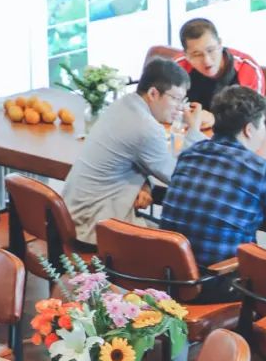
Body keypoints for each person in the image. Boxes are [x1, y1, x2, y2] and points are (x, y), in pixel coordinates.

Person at [160, 86, 266, 275]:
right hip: (219, 280)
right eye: (263, 125)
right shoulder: (258, 168)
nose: (264, 132)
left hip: (170, 275)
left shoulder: (190, 154)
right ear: (249, 130)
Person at [62, 57, 205, 240]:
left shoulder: (122, 104)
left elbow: (133, 157)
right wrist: (194, 131)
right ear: (153, 93)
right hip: (93, 229)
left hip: (71, 217)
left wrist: (145, 183)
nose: (181, 108)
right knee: (178, 244)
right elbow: (178, 177)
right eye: (176, 99)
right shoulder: (146, 127)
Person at [176, 17, 264, 108]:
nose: (207, 60)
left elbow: (254, 114)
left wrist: (210, 117)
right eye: (197, 54)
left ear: (220, 44)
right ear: (186, 55)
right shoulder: (177, 68)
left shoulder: (247, 68)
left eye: (211, 50)